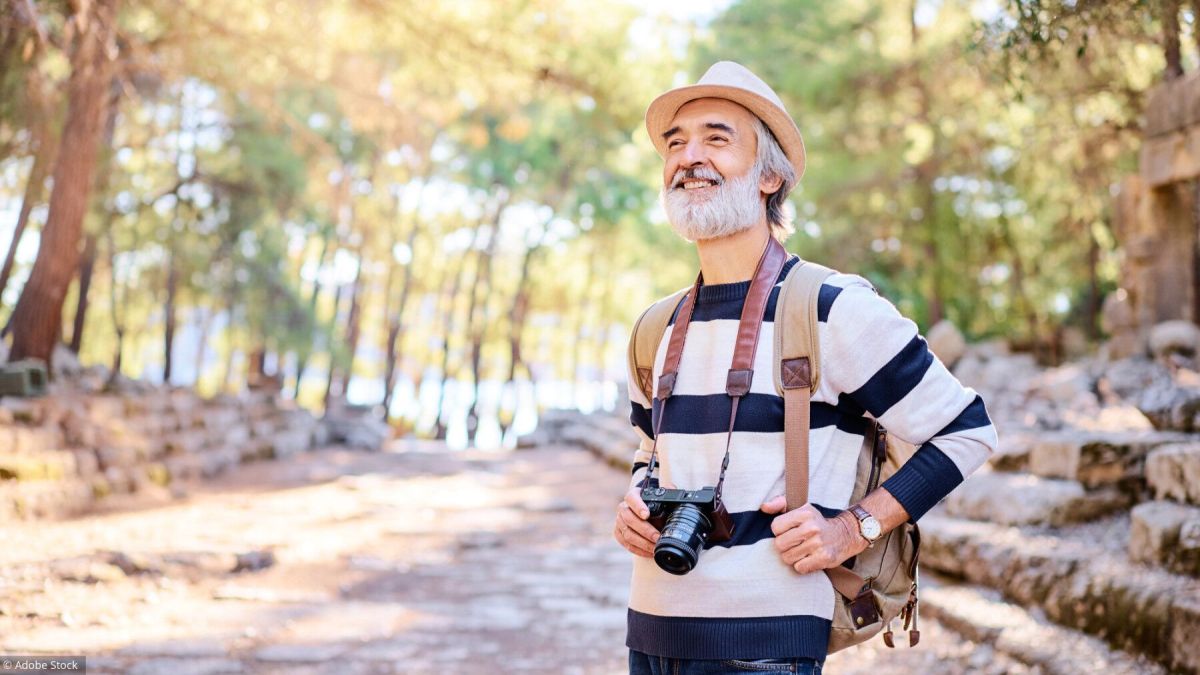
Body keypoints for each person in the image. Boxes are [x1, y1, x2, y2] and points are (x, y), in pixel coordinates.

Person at [613, 61, 999, 674]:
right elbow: (648, 450)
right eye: (675, 142)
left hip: (767, 647)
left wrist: (854, 528)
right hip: (651, 634)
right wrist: (636, 498)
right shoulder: (655, 327)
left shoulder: (831, 308)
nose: (689, 157)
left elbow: (968, 429)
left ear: (770, 176)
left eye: (717, 138)